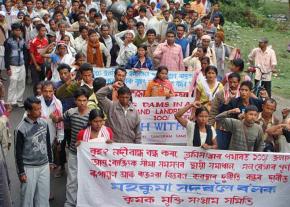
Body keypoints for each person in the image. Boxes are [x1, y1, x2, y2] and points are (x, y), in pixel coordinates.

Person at [51, 88, 91, 207]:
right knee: (72, 180)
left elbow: (99, 127)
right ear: (75, 101)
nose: (82, 103)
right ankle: (70, 202)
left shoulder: (92, 114)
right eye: (79, 100)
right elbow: (59, 119)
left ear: (87, 100)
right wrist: (52, 116)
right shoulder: (71, 112)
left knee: (87, 179)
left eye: (84, 100)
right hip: (74, 152)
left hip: (88, 154)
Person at [15, 96, 53, 207]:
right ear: (28, 111)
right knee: (27, 199)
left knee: (43, 198)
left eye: (40, 108)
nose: (39, 111)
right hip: (29, 168)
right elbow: (17, 153)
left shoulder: (44, 123)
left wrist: (50, 161)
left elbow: (47, 143)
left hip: (44, 166)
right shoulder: (20, 129)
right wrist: (21, 172)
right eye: (36, 109)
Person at [209, 72, 241, 150]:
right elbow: (214, 111)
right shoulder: (220, 94)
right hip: (222, 127)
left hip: (238, 129)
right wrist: (209, 127)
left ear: (239, 83)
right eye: (230, 82)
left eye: (235, 82)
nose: (232, 84)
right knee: (221, 150)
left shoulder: (243, 93)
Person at [4, 23, 26, 108]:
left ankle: (19, 100)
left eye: (19, 30)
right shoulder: (8, 41)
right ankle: (10, 102)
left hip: (22, 65)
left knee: (21, 83)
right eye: (16, 30)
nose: (18, 32)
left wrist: (25, 64)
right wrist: (8, 68)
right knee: (13, 83)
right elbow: (6, 55)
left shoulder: (22, 40)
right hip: (12, 65)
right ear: (12, 31)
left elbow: (24, 52)